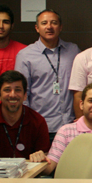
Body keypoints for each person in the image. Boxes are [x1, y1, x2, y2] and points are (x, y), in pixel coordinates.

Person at [14, 9, 80, 140]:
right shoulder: (25, 55)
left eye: (54, 23)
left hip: (71, 125)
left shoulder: (73, 51)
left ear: (60, 27)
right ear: (37, 28)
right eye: (44, 23)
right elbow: (22, 93)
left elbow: (81, 86)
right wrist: (26, 123)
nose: (49, 27)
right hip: (40, 127)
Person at [0, 70, 50, 162]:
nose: (12, 95)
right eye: (7, 90)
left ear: (25, 95)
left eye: (17, 90)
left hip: (30, 170)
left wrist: (40, 157)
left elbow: (44, 158)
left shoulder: (38, 121)